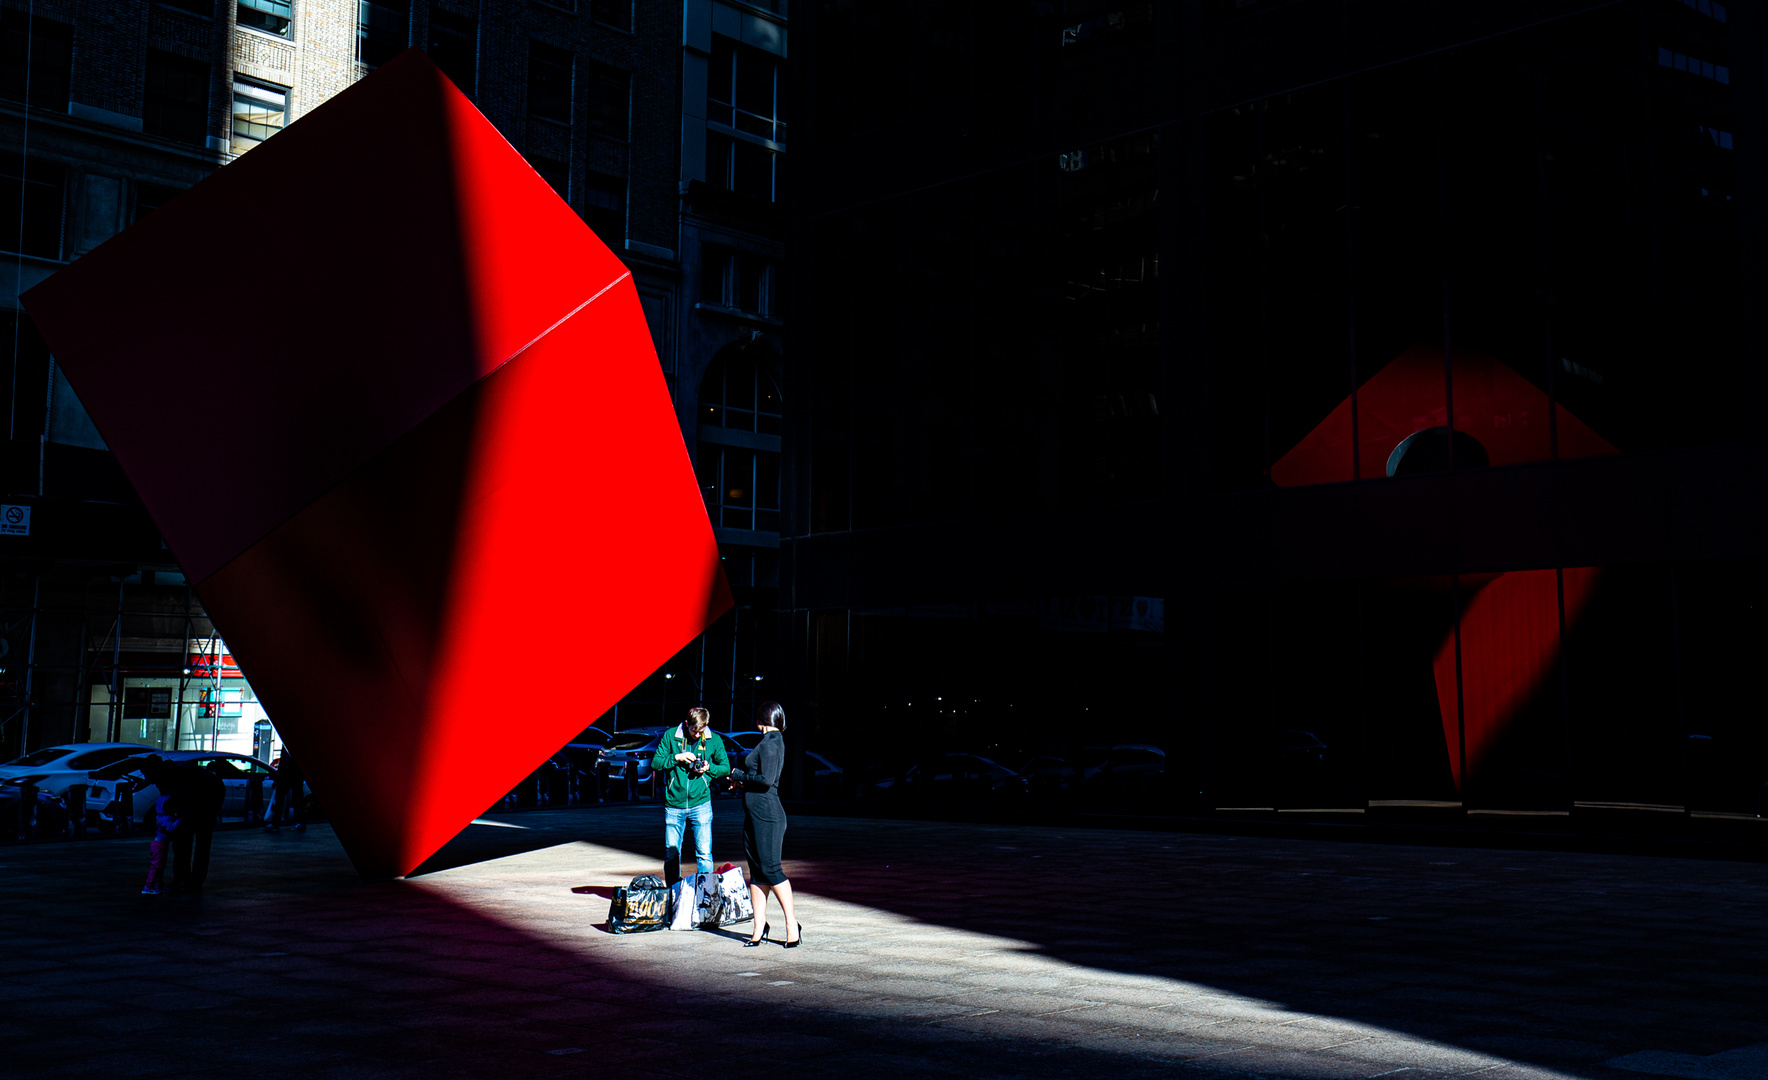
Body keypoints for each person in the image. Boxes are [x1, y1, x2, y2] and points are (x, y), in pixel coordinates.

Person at [739, 701, 799, 948]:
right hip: (755, 815)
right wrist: (742, 784)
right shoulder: (767, 742)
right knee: (757, 872)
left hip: (768, 816)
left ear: (760, 720)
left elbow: (766, 781)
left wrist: (738, 776)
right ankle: (758, 927)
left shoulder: (773, 743)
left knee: (771, 869)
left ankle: (792, 925)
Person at [650, 706, 730, 887]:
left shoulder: (713, 740)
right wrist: (676, 757)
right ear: (687, 724)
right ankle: (672, 891)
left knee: (704, 853)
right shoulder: (671, 736)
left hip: (701, 803)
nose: (697, 734)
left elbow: (725, 767)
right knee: (672, 853)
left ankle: (706, 893)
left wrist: (710, 769)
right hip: (674, 804)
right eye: (694, 730)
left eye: (701, 731)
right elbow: (656, 763)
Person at [137, 756, 226, 891]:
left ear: (153, 771)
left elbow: (191, 801)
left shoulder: (179, 775)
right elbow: (174, 802)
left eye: (146, 774)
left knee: (202, 835)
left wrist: (182, 820)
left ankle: (194, 879)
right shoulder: (162, 776)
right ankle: (182, 877)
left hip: (211, 792)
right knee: (183, 835)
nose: (146, 778)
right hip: (201, 792)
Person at [140, 793, 183, 895]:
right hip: (159, 844)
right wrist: (180, 820)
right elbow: (170, 828)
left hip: (160, 844)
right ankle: (148, 886)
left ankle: (157, 886)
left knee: (160, 866)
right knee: (156, 866)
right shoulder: (166, 818)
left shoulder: (160, 817)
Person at [263, 746, 306, 832]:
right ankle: (279, 822)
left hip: (291, 775)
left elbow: (283, 762)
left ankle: (278, 823)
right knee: (287, 798)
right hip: (289, 775)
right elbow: (283, 763)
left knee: (293, 798)